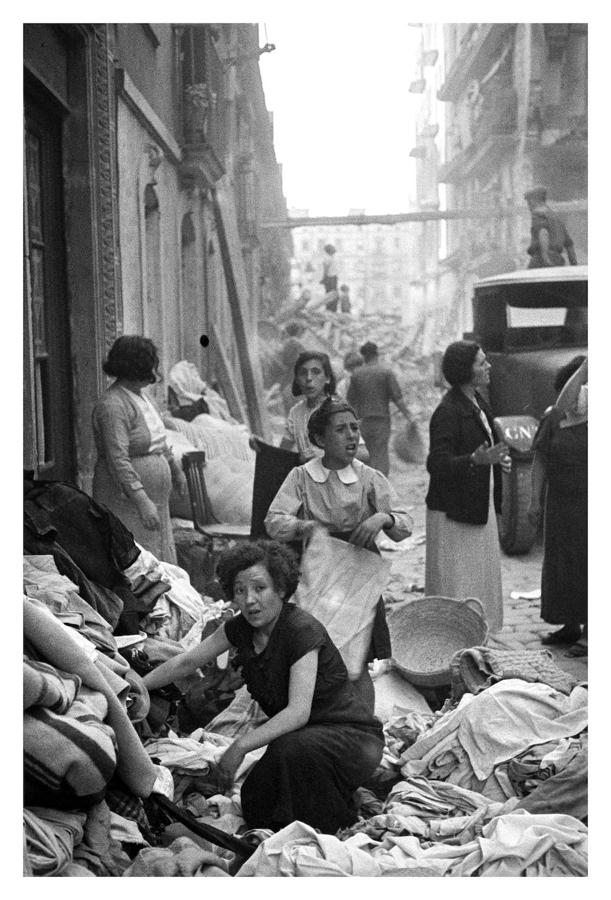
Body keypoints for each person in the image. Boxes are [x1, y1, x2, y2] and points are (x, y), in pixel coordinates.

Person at [141, 539, 384, 835]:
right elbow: (185, 662)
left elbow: (297, 713)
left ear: (281, 589)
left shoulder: (301, 630)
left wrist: (240, 746)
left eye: (259, 588)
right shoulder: (239, 628)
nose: (249, 600)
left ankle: (339, 818)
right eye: (240, 591)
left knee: (291, 758)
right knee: (256, 802)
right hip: (301, 744)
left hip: (353, 740)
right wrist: (135, 687)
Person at [265, 397, 413, 708]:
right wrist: (302, 527)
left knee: (357, 662)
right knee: (319, 655)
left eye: (354, 428)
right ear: (319, 439)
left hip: (360, 574)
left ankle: (364, 725)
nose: (351, 436)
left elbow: (405, 525)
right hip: (321, 568)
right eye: (341, 430)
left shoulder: (369, 477)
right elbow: (273, 520)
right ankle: (324, 721)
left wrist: (382, 518)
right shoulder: (302, 477)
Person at [424, 341, 511, 633]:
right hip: (454, 513)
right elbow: (436, 463)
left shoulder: (478, 404)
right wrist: (475, 460)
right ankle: (455, 640)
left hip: (475, 506)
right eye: (481, 363)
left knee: (478, 578)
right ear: (466, 371)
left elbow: (486, 450)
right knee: (458, 582)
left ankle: (476, 635)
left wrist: (496, 462)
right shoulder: (447, 411)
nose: (488, 367)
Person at [92, 335, 187, 564]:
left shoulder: (143, 398)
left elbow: (159, 441)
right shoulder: (113, 405)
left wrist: (175, 470)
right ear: (138, 366)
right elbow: (118, 459)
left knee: (157, 555)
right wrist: (141, 500)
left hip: (153, 499)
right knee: (135, 559)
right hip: (125, 500)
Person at [528, 356, 587, 656]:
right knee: (562, 565)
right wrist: (534, 499)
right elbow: (541, 459)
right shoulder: (554, 418)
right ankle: (570, 624)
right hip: (561, 502)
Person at [347, 341, 410, 476]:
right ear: (377, 354)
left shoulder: (356, 374)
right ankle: (380, 488)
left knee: (365, 456)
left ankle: (368, 488)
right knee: (380, 455)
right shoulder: (386, 372)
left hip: (362, 422)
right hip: (381, 422)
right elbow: (398, 399)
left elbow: (350, 401)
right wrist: (409, 417)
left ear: (364, 356)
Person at [279, 351, 336, 461]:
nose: (309, 378)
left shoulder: (337, 410)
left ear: (328, 378)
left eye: (316, 372)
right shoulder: (295, 413)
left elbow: (364, 453)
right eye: (303, 373)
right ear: (297, 379)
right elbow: (282, 453)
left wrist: (324, 455)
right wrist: (261, 447)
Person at [524, 186, 578, 268]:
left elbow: (543, 233)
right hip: (558, 261)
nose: (529, 207)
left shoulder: (538, 214)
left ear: (533, 201)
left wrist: (546, 259)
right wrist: (574, 265)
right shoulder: (556, 218)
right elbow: (569, 244)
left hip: (540, 261)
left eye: (528, 203)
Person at [321, 243, 339, 311]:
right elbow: (326, 269)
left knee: (332, 294)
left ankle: (332, 309)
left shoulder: (331, 258)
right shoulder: (328, 258)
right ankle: (331, 309)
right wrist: (324, 278)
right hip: (330, 278)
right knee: (331, 295)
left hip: (333, 277)